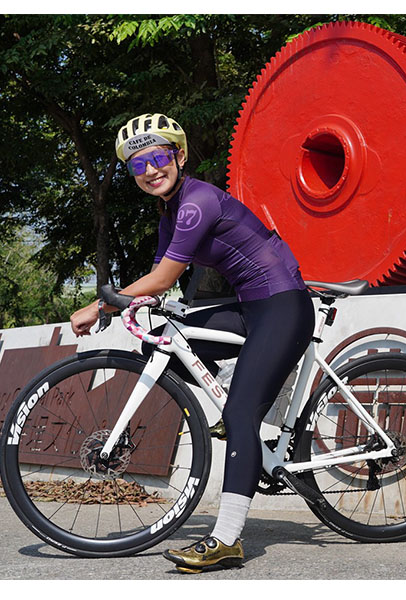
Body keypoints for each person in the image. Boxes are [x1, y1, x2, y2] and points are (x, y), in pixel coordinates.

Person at [69, 113, 315, 573]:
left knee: (240, 414)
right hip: (250, 308)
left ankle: (226, 540)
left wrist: (100, 306)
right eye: (137, 165)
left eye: (158, 158)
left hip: (283, 305)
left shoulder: (198, 200)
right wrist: (138, 303)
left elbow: (161, 277)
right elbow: (161, 284)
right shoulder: (170, 215)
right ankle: (239, 397)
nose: (149, 171)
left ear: (179, 156)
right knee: (159, 343)